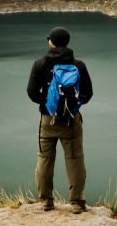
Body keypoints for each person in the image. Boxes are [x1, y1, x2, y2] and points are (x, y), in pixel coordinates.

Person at [26, 26, 93, 214]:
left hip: (48, 120)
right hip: (71, 120)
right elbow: (87, 94)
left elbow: (31, 92)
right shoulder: (78, 65)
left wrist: (47, 104)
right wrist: (73, 107)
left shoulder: (40, 64)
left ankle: (47, 201)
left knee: (45, 159)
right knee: (75, 159)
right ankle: (77, 202)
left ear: (52, 42)